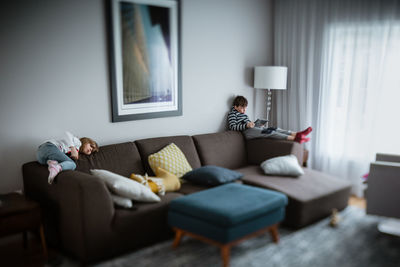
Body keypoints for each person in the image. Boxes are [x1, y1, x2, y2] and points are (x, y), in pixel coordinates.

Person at [227, 95, 312, 142]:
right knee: (269, 132)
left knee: (274, 129)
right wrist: (246, 125)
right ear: (235, 107)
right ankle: (296, 139)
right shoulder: (232, 114)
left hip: (251, 129)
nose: (244, 110)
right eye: (242, 108)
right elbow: (233, 127)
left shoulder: (243, 114)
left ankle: (297, 134)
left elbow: (248, 124)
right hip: (246, 133)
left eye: (245, 108)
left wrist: (256, 124)